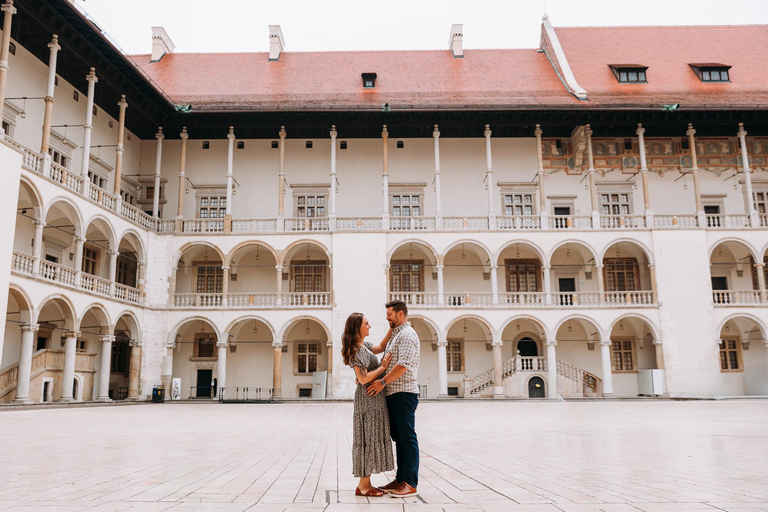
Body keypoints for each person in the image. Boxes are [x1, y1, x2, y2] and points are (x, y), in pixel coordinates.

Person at [366, 299, 420, 498]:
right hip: (394, 393)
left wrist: (382, 382)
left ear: (400, 314)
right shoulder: (397, 334)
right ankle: (400, 479)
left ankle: (410, 483)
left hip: (403, 393)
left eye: (390, 314)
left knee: (407, 438)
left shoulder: (406, 335)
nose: (387, 317)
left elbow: (403, 365)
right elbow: (381, 349)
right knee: (400, 439)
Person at [341, 312, 395, 497]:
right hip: (367, 399)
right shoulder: (356, 349)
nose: (369, 326)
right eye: (366, 323)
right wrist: (382, 368)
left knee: (372, 436)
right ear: (358, 327)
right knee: (367, 438)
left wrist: (391, 328)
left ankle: (367, 483)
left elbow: (381, 346)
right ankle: (363, 486)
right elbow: (363, 379)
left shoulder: (365, 346)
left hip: (375, 398)